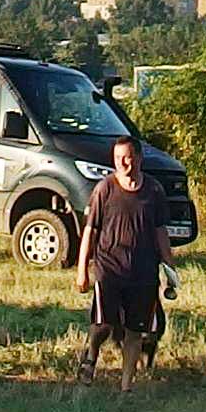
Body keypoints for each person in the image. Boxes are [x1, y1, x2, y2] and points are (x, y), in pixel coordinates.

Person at [75, 138, 170, 387]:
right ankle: (91, 356)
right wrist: (82, 270)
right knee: (103, 324)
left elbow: (161, 231)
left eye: (127, 157)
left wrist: (169, 268)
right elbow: (90, 231)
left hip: (144, 272)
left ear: (139, 158)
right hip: (110, 269)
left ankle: (126, 385)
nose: (123, 163)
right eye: (118, 159)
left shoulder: (154, 191)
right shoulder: (104, 189)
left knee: (134, 331)